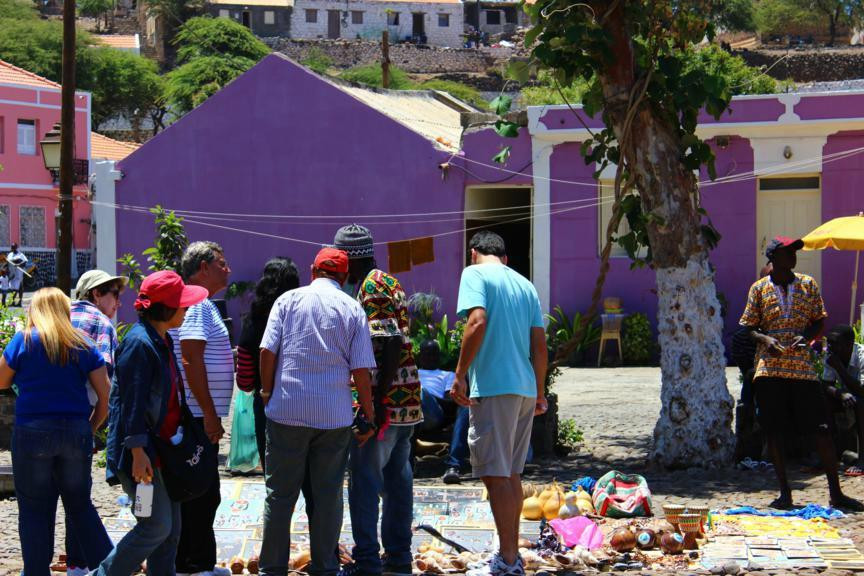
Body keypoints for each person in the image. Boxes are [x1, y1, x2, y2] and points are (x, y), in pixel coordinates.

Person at [258, 247, 377, 576]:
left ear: (313, 270)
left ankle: (272, 569)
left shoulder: (288, 301)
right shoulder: (353, 309)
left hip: (286, 411)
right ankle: (325, 568)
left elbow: (267, 350)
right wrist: (368, 413)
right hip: (333, 418)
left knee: (279, 496)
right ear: (344, 276)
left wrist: (267, 393)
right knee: (327, 497)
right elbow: (362, 371)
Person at [95, 271, 209, 576]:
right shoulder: (139, 344)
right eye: (182, 305)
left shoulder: (161, 339)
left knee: (169, 531)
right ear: (166, 309)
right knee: (154, 526)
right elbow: (130, 404)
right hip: (143, 459)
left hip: (162, 455)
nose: (187, 310)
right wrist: (137, 452)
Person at [740, 236, 862, 511]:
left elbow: (820, 319)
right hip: (770, 369)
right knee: (774, 431)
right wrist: (765, 339)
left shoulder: (808, 284)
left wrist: (807, 337)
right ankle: (785, 493)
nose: (794, 256)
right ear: (774, 257)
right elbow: (748, 326)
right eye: (787, 252)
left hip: (803, 370)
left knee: (821, 429)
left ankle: (836, 493)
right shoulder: (758, 289)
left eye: (795, 251)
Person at [450, 231, 547, 576]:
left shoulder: (473, 273)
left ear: (473, 253)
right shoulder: (525, 285)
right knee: (511, 475)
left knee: (495, 476)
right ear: (505, 258)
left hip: (494, 386)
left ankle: (507, 560)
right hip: (522, 388)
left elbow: (476, 321)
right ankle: (509, 554)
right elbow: (539, 346)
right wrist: (539, 392)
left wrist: (460, 373)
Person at [0, 287, 113, 575]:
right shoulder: (83, 343)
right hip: (75, 431)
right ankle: (113, 567)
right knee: (80, 504)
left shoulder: (24, 340)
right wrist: (91, 427)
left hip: (32, 432)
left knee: (34, 508)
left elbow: (1, 381)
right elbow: (105, 396)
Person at [334, 225, 422, 576]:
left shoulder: (372, 286)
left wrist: (378, 402)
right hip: (406, 400)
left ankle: (368, 558)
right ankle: (398, 556)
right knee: (398, 480)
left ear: (350, 258)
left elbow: (389, 343)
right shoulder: (387, 281)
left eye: (341, 259)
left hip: (388, 401)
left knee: (366, 482)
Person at [172, 241, 234, 576]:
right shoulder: (196, 304)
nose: (228, 269)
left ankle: (199, 562)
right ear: (203, 267)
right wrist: (209, 413)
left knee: (206, 490)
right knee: (200, 491)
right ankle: (193, 565)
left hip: (200, 412)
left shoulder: (203, 304)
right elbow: (191, 356)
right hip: (196, 414)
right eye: (222, 264)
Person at [64, 269, 127, 576]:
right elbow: (105, 382)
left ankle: (74, 562)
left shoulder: (53, 318)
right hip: (78, 419)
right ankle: (93, 561)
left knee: (43, 502)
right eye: (113, 293)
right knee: (78, 495)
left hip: (37, 419)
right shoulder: (101, 324)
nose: (118, 301)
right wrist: (93, 425)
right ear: (94, 295)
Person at [237, 257, 301, 470]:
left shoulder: (255, 320)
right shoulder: (302, 317)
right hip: (303, 398)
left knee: (274, 471)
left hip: (267, 403)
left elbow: (245, 380)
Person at [415, 340, 469, 484]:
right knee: (413, 388)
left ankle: (454, 464)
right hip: (411, 412)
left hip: (433, 413)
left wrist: (429, 397)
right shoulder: (413, 372)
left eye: (434, 354)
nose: (431, 357)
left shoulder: (447, 375)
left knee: (419, 390)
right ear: (420, 356)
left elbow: (449, 402)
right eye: (427, 354)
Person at [821, 324, 864, 476]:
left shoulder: (861, 355)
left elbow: (862, 390)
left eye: (834, 342)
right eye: (829, 342)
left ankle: (862, 460)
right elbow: (826, 385)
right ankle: (829, 455)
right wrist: (840, 394)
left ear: (848, 344)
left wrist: (839, 367)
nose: (830, 346)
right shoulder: (831, 355)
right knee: (823, 401)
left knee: (861, 404)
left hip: (860, 396)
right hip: (851, 395)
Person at [7, 242, 28, 306]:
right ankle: (12, 301)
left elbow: (25, 262)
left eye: (13, 247)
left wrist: (18, 264)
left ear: (16, 248)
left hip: (19, 273)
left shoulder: (20, 255)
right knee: (12, 288)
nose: (12, 249)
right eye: (12, 248)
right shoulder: (10, 254)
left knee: (20, 287)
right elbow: (8, 263)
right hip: (12, 274)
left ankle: (20, 302)